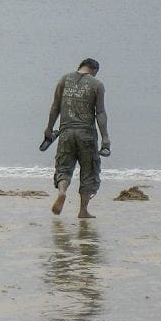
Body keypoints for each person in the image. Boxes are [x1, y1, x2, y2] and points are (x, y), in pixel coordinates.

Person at [44, 58, 110, 219]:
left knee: (64, 168)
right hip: (86, 135)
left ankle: (62, 192)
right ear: (94, 70)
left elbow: (55, 107)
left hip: (66, 133)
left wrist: (48, 128)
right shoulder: (97, 84)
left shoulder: (64, 79)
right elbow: (100, 113)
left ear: (80, 66)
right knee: (89, 172)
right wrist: (105, 138)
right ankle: (83, 210)